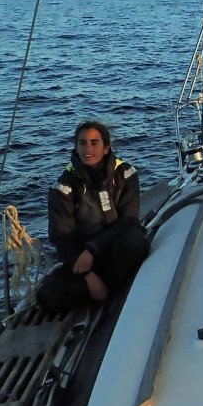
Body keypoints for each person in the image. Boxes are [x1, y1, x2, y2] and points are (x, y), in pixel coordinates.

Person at [37, 120, 149, 313]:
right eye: (82, 143)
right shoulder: (63, 188)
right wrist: (89, 275)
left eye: (94, 143)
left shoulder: (125, 174)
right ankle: (104, 287)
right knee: (47, 296)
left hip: (116, 247)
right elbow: (62, 237)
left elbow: (128, 221)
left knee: (136, 243)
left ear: (106, 148)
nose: (87, 148)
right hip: (82, 260)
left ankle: (100, 290)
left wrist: (93, 249)